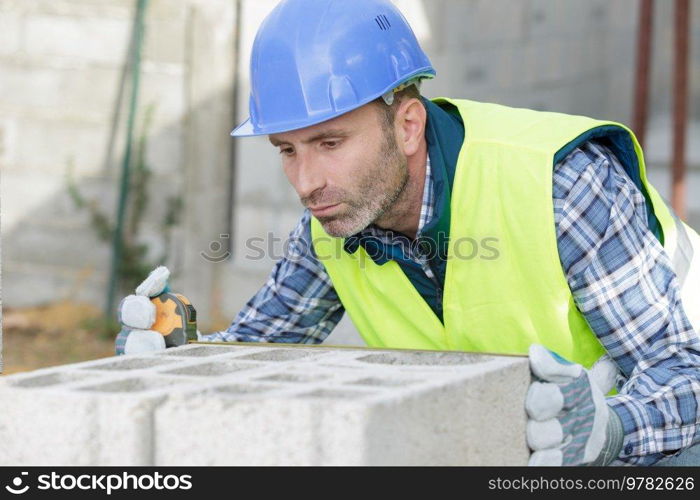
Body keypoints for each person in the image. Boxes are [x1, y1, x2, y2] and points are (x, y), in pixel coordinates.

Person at [115, 0, 700, 466]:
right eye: (287, 150)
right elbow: (255, 348)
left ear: (409, 124)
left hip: (664, 428)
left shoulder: (561, 185)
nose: (306, 181)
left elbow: (682, 374)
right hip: (525, 443)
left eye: (330, 143)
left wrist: (610, 433)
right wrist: (180, 349)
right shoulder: (334, 218)